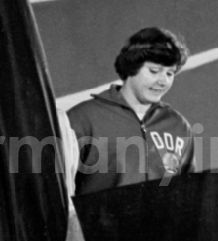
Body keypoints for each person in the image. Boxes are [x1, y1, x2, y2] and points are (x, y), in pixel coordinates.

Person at [68, 26, 194, 196]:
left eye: (170, 73)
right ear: (131, 68)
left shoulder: (178, 125)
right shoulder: (82, 119)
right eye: (154, 71)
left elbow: (189, 191)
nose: (163, 81)